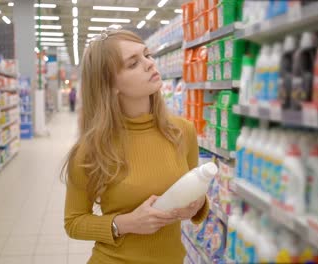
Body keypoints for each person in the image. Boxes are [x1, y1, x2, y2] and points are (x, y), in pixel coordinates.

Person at [62, 25, 209, 264]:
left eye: (147, 55)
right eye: (133, 63)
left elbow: (196, 193)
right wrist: (127, 223)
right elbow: (74, 222)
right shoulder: (90, 149)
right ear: (110, 84)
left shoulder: (182, 131)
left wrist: (197, 204)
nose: (150, 64)